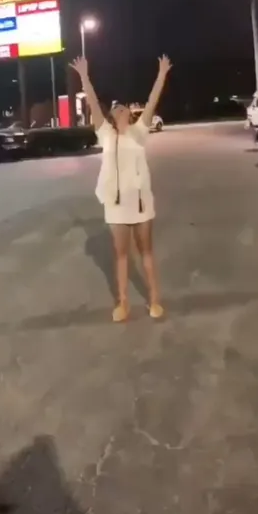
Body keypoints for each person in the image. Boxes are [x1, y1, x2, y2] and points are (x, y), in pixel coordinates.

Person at [70, 54, 172, 323]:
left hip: (140, 203)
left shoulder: (139, 132)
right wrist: (84, 76)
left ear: (129, 113)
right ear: (112, 117)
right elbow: (93, 103)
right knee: (121, 256)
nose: (120, 108)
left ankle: (154, 300)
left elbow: (153, 100)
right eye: (115, 108)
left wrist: (161, 74)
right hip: (116, 205)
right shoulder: (106, 134)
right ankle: (123, 303)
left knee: (146, 252)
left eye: (123, 107)